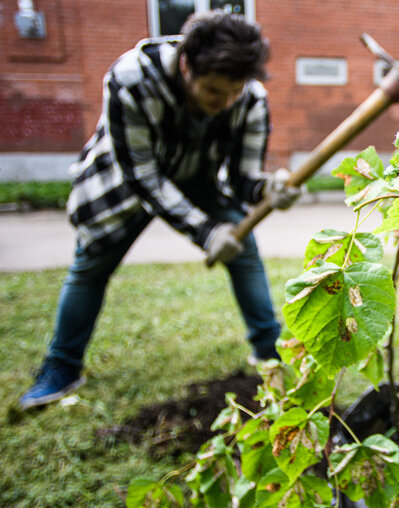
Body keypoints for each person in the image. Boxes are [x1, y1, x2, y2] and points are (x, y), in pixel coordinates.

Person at [18, 11, 301, 410]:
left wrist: (268, 189)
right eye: (213, 93)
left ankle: (269, 351)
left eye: (234, 93)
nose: (225, 105)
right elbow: (144, 178)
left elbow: (242, 179)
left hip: (198, 177)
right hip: (125, 182)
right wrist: (205, 232)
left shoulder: (249, 96)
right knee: (90, 266)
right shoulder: (131, 80)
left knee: (244, 249)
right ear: (187, 65)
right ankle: (61, 367)